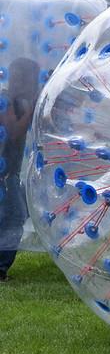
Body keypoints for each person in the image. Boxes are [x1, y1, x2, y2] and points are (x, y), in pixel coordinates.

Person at [0, 58, 41, 282]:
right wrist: (31, 107)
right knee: (15, 216)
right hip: (4, 176)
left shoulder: (20, 101)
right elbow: (13, 131)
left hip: (10, 174)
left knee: (17, 212)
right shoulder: (5, 99)